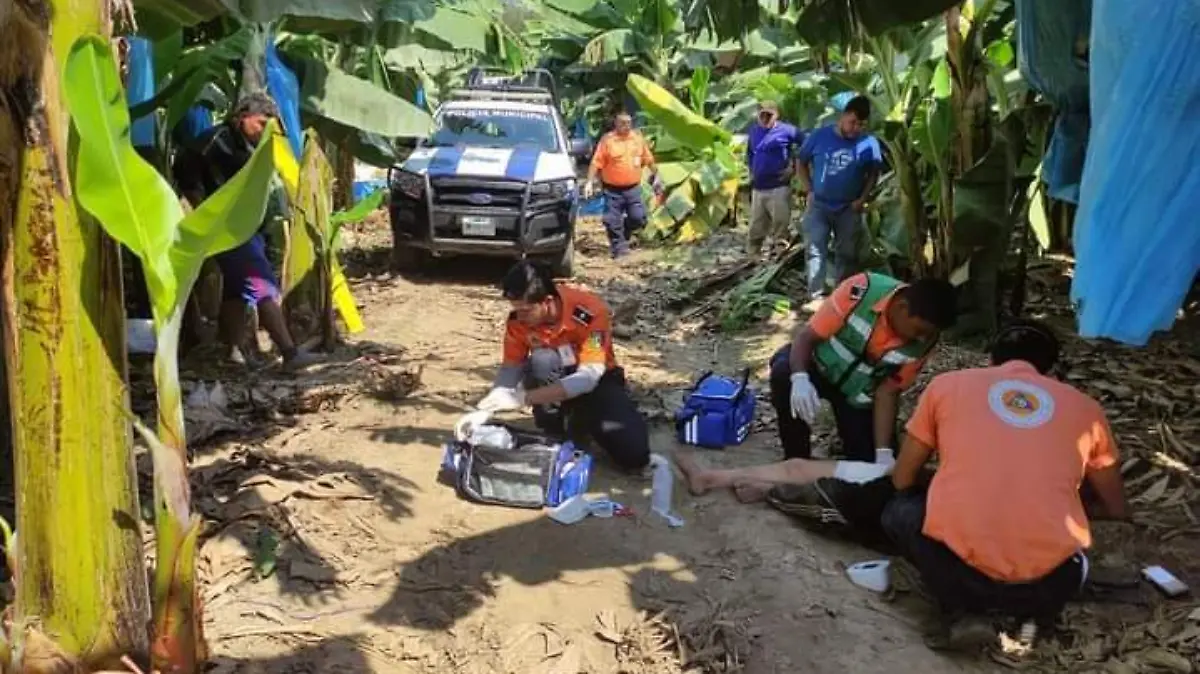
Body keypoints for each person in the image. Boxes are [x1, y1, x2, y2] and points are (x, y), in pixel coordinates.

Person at [173, 93, 319, 371]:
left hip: (244, 228)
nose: (264, 131)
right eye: (261, 123)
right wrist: (202, 207)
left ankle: (231, 352)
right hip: (226, 229)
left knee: (236, 292)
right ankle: (290, 354)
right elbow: (184, 166)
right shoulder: (216, 141)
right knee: (262, 286)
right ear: (241, 118)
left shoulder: (248, 146)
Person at [476, 261, 651, 472]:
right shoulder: (518, 322)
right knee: (542, 360)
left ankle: (583, 418)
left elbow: (588, 378)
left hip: (596, 381)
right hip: (553, 377)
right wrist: (492, 402)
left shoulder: (590, 312)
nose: (520, 317)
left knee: (634, 455)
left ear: (547, 302)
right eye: (516, 310)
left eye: (526, 310)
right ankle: (553, 430)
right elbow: (512, 366)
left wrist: (521, 399)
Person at [769, 272, 956, 468]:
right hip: (818, 366)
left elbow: (888, 391)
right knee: (784, 375)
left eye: (929, 335)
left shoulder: (925, 342)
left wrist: (883, 451)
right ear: (902, 308)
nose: (922, 339)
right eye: (919, 331)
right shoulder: (861, 291)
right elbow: (807, 337)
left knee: (871, 468)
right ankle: (795, 462)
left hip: (857, 396)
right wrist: (800, 378)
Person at [796, 95, 883, 303]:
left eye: (861, 124)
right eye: (852, 122)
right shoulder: (820, 136)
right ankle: (815, 295)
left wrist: (863, 198)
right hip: (819, 205)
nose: (856, 128)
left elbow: (874, 172)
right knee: (816, 248)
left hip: (849, 207)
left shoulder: (869, 143)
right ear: (842, 117)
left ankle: (841, 297)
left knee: (847, 253)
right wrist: (809, 190)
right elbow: (800, 161)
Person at [584, 112, 663, 259]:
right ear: (616, 124)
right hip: (612, 190)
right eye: (623, 123)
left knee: (638, 218)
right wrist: (589, 182)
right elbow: (596, 162)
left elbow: (648, 159)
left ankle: (625, 231)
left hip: (632, 188)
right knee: (612, 220)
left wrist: (657, 176)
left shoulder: (637, 140)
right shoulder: (608, 141)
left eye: (628, 123)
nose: (626, 126)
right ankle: (619, 249)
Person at [746, 100, 804, 254]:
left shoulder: (787, 131)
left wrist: (793, 167)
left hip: (778, 186)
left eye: (769, 115)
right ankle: (753, 256)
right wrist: (751, 170)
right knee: (756, 226)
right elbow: (750, 153)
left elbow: (806, 144)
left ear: (776, 115)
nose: (765, 118)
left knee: (780, 225)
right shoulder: (753, 131)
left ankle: (780, 255)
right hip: (758, 187)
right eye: (762, 115)